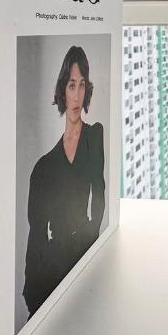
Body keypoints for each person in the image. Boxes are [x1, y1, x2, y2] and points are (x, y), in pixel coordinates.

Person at [22, 45, 105, 320]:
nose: (77, 94)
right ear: (62, 91)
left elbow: (99, 197)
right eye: (71, 85)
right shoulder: (44, 168)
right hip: (50, 271)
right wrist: (32, 293)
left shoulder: (94, 136)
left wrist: (89, 250)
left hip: (82, 258)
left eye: (82, 85)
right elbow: (36, 236)